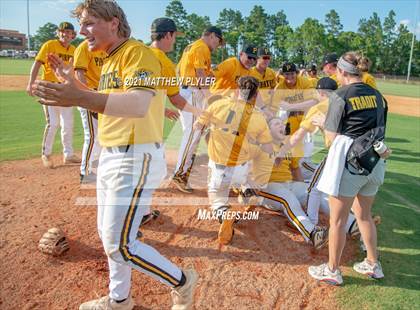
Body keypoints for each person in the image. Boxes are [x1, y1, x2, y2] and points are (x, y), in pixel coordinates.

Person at [32, 0, 198, 309]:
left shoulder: (137, 53)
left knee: (120, 245)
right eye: (82, 24)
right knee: (111, 239)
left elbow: (137, 105)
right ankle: (119, 299)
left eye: (89, 22)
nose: (82, 31)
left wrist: (79, 94)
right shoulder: (110, 60)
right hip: (113, 155)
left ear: (114, 23)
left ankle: (182, 281)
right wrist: (73, 82)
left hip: (135, 157)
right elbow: (104, 100)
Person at [308, 51, 390, 286]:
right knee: (364, 216)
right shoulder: (377, 94)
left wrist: (322, 125)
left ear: (342, 71)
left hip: (351, 166)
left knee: (337, 222)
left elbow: (332, 140)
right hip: (374, 162)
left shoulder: (340, 95)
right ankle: (373, 264)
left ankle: (333, 269)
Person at [194, 76, 273, 245]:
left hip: (219, 167)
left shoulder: (217, 105)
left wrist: (210, 128)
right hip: (241, 168)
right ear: (255, 94)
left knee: (216, 197)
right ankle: (247, 191)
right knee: (246, 170)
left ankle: (224, 213)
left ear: (237, 90)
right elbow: (267, 147)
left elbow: (197, 127)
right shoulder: (258, 116)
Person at [245, 117, 328, 250]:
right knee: (288, 199)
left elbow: (295, 170)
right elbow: (245, 167)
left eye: (282, 124)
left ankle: (353, 224)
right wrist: (251, 185)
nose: (282, 126)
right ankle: (312, 233)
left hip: (290, 184)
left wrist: (305, 192)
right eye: (276, 123)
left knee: (316, 193)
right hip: (268, 186)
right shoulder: (260, 145)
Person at [172, 26, 223, 193]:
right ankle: (179, 173)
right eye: (219, 40)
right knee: (192, 133)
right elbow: (200, 77)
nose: (218, 45)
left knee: (194, 133)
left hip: (189, 89)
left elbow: (191, 72)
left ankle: (182, 172)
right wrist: (212, 99)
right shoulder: (201, 47)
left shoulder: (193, 46)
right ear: (212, 36)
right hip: (192, 91)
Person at [27, 22, 80, 168]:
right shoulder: (50, 45)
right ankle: (46, 154)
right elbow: (37, 63)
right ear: (58, 33)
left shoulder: (74, 49)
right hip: (49, 87)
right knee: (53, 123)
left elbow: (73, 70)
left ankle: (68, 155)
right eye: (63, 32)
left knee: (68, 124)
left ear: (73, 35)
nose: (66, 35)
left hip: (65, 89)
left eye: (68, 32)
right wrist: (30, 83)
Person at [73, 39, 107, 183]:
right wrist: (88, 97)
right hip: (89, 94)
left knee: (101, 135)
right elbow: (79, 74)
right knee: (92, 136)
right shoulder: (84, 47)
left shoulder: (105, 47)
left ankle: (94, 165)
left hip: (103, 95)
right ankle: (85, 172)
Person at [249, 47, 277, 118]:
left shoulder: (271, 72)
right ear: (257, 58)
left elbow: (273, 90)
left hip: (269, 108)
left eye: (269, 58)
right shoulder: (249, 73)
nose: (267, 60)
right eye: (264, 58)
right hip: (254, 108)